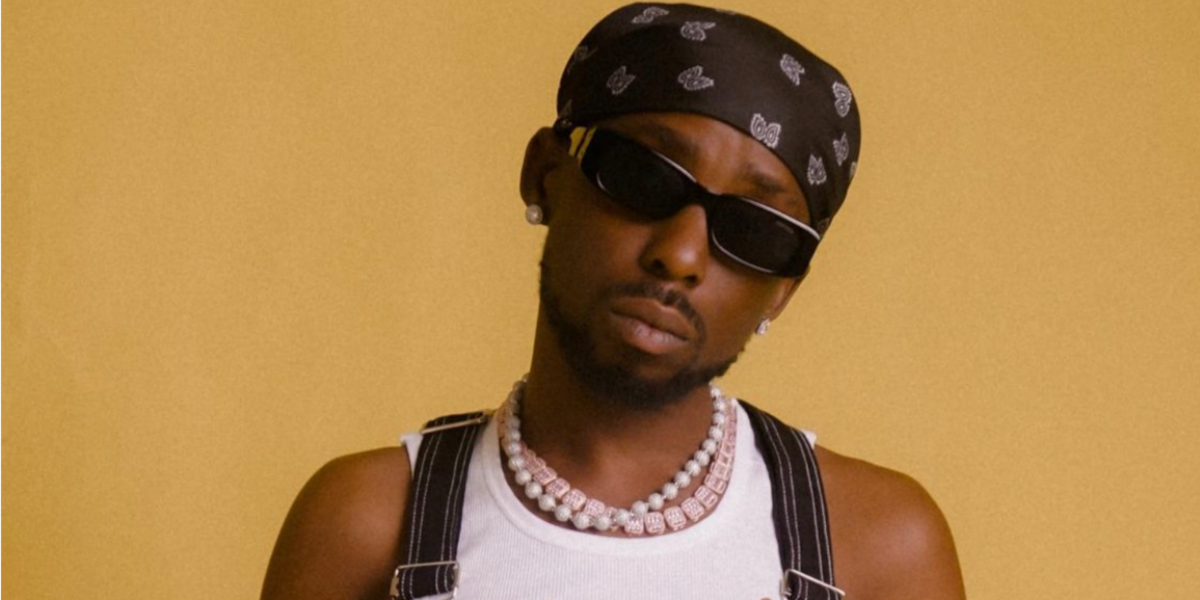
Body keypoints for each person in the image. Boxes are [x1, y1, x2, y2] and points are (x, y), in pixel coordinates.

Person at [262, 4, 965, 599]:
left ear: (783, 290)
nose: (680, 255)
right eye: (644, 178)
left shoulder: (877, 544)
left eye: (753, 230)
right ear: (546, 175)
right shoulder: (367, 523)